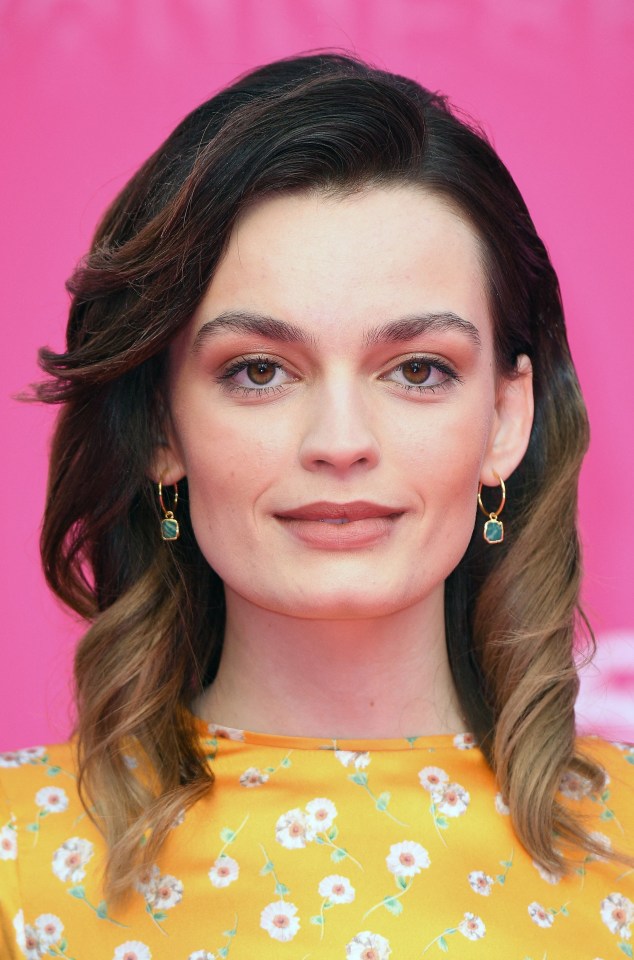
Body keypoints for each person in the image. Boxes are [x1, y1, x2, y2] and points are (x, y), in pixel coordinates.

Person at [1, 52, 632, 959]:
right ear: (162, 430)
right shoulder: (18, 858)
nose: (340, 440)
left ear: (505, 417)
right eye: (259, 371)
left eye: (418, 370)